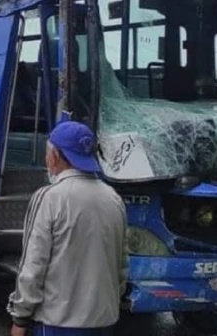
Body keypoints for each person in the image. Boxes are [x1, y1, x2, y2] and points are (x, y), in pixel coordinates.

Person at [8, 120, 128, 336]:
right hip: (104, 322)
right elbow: (121, 264)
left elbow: (33, 265)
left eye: (48, 154)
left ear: (54, 156)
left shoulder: (48, 198)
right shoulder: (114, 199)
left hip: (58, 323)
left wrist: (20, 316)